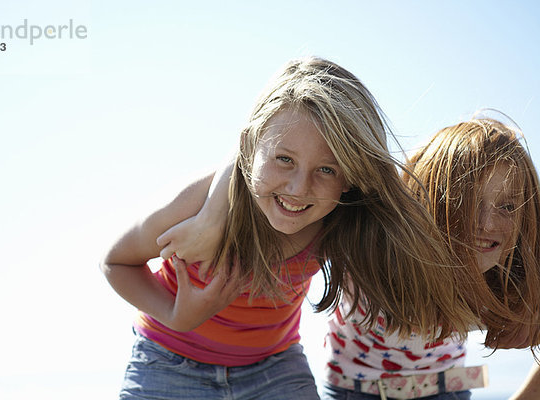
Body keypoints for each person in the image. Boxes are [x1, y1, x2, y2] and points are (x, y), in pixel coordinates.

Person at [101, 57, 479, 400]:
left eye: (326, 170)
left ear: (351, 178)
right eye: (284, 159)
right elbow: (115, 262)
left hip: (274, 367)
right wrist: (174, 315)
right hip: (168, 360)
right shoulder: (194, 204)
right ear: (250, 147)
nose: (299, 189)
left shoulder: (337, 220)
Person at [158, 116, 540, 399]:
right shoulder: (377, 236)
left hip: (446, 389)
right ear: (428, 202)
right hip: (353, 389)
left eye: (508, 206)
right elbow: (256, 140)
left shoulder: (515, 274)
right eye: (469, 203)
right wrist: (210, 214)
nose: (488, 223)